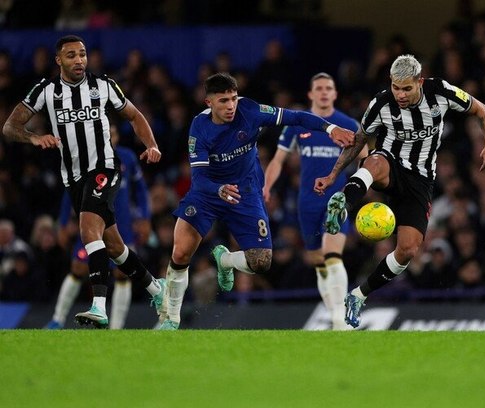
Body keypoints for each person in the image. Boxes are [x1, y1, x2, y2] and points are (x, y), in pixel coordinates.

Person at [157, 72, 354, 330]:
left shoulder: (250, 110)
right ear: (209, 103)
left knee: (261, 261)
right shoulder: (199, 129)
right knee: (181, 251)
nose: (230, 106)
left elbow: (295, 117)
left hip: (246, 191)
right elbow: (200, 178)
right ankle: (171, 318)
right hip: (209, 192)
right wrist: (218, 190)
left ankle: (225, 260)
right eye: (223, 101)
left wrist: (330, 128)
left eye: (233, 99)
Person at [314, 54, 485, 328]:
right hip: (390, 165)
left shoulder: (441, 93)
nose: (399, 94)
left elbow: (481, 109)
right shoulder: (381, 103)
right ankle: (343, 202)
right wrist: (332, 175)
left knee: (408, 251)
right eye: (396, 88)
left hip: (421, 180)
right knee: (375, 160)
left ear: (420, 82)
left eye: (406, 88)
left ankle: (358, 295)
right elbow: (358, 141)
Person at [2, 35, 165, 329]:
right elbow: (10, 126)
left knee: (89, 230)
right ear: (59, 60)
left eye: (83, 54)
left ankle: (98, 306)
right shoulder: (45, 91)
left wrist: (151, 144)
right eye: (72, 55)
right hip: (73, 178)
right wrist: (34, 137)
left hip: (105, 167)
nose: (79, 60)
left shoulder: (103, 86)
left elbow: (134, 115)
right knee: (115, 247)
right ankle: (157, 290)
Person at [263, 72, 362, 330]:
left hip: (337, 200)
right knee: (319, 262)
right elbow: (277, 160)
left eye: (329, 88)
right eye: (319, 88)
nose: (324, 92)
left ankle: (339, 319)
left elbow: (366, 154)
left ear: (335, 93)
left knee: (332, 255)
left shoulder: (347, 123)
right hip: (306, 203)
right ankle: (333, 313)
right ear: (311, 94)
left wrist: (364, 183)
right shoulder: (298, 124)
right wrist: (266, 186)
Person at [44, 125, 151, 329]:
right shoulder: (85, 158)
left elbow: (141, 190)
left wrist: (145, 218)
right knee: (78, 267)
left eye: (113, 134)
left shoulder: (127, 158)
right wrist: (63, 222)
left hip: (122, 225)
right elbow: (70, 192)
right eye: (105, 134)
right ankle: (57, 319)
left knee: (122, 273)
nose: (110, 138)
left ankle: (116, 327)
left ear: (118, 136)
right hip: (92, 222)